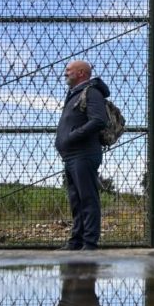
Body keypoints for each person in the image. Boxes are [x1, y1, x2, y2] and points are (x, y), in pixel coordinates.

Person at [55, 60, 110, 250]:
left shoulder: (91, 92)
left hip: (84, 154)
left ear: (80, 73)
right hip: (71, 156)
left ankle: (89, 243)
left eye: (68, 71)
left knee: (87, 198)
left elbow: (98, 120)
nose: (65, 74)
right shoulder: (74, 95)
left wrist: (72, 136)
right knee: (76, 200)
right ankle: (76, 241)